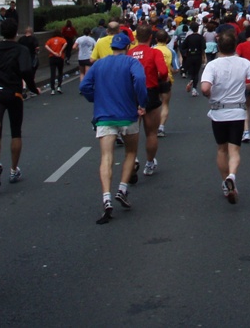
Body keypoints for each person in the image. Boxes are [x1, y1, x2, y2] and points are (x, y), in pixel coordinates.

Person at [80, 33, 148, 224]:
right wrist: (141, 102)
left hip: (104, 116)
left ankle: (106, 197)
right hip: (128, 115)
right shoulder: (132, 63)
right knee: (131, 152)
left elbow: (85, 85)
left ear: (112, 47)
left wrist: (95, 98)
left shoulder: (99, 64)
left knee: (106, 157)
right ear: (127, 47)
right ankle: (123, 188)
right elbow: (140, 80)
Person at [200, 32, 250, 205]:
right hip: (237, 112)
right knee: (234, 150)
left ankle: (225, 182)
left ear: (219, 47)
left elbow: (205, 88)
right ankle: (232, 175)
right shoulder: (244, 63)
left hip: (218, 112)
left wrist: (210, 94)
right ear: (235, 46)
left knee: (221, 149)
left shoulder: (212, 65)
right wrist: (244, 86)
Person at [0, 19, 40, 189]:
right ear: (16, 32)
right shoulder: (21, 50)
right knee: (15, 132)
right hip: (14, 93)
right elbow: (26, 70)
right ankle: (13, 169)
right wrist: (33, 88)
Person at [128, 26, 169, 177]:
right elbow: (164, 72)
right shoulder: (154, 52)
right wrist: (159, 80)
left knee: (133, 131)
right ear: (151, 38)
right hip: (150, 91)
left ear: (136, 37)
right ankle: (149, 163)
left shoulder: (130, 53)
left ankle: (133, 160)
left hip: (132, 93)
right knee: (151, 132)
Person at [180, 22, 205, 97]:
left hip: (190, 56)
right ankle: (194, 89)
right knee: (196, 72)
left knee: (191, 71)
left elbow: (183, 46)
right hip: (198, 56)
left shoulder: (189, 37)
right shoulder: (200, 37)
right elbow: (204, 47)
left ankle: (191, 80)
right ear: (198, 29)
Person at [45, 30, 68, 95]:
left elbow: (46, 46)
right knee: (60, 72)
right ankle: (59, 87)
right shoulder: (62, 39)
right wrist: (61, 51)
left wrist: (53, 52)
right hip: (60, 57)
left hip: (52, 57)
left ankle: (52, 89)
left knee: (53, 73)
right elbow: (66, 43)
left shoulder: (50, 40)